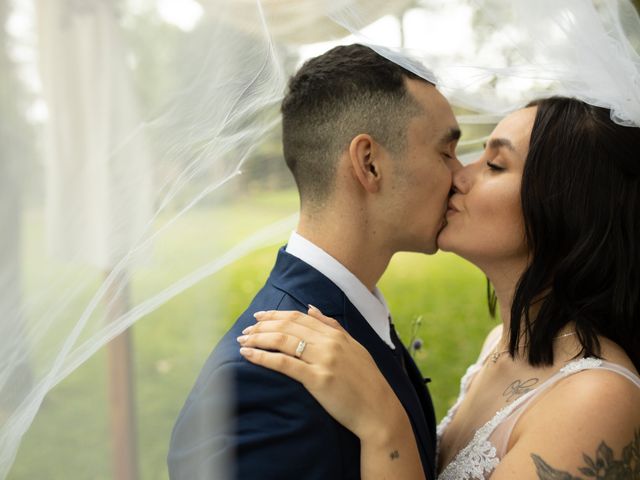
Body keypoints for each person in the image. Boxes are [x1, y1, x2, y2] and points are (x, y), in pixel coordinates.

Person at [238, 97, 640, 479]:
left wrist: (384, 423)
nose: (459, 175)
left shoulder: (595, 398)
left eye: (495, 165)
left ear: (568, 208)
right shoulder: (498, 344)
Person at [167, 43, 462, 479]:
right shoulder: (263, 384)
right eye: (445, 153)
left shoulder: (351, 316)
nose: (462, 175)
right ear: (369, 164)